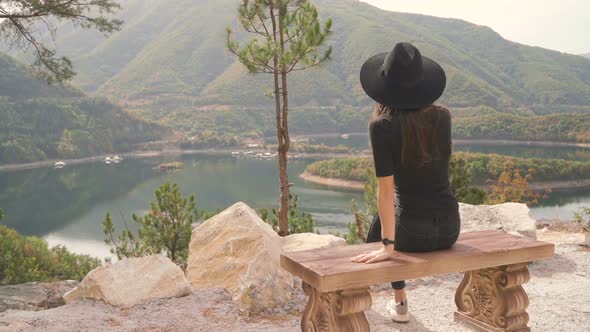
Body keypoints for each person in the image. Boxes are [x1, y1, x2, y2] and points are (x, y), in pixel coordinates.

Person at [350, 42, 461, 323]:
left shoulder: (382, 126)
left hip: (414, 235)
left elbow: (386, 192)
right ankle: (392, 303)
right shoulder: (442, 116)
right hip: (450, 228)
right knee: (394, 210)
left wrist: (388, 246)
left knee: (382, 218)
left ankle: (398, 303)